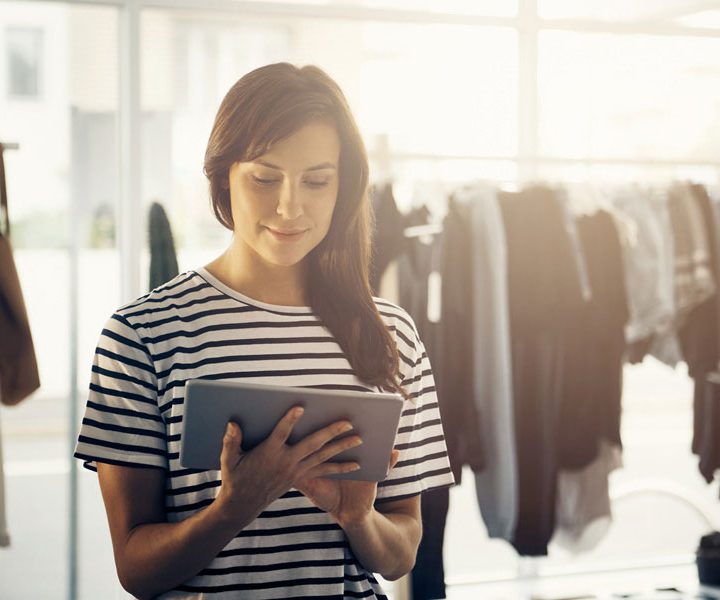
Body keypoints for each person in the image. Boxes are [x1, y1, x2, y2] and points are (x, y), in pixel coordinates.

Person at [73, 63, 455, 599]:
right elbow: (135, 570)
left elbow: (402, 553)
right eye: (264, 177)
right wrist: (233, 508)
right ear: (223, 176)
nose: (290, 206)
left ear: (343, 188)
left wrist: (358, 518)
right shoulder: (141, 336)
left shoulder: (392, 333)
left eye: (317, 181)